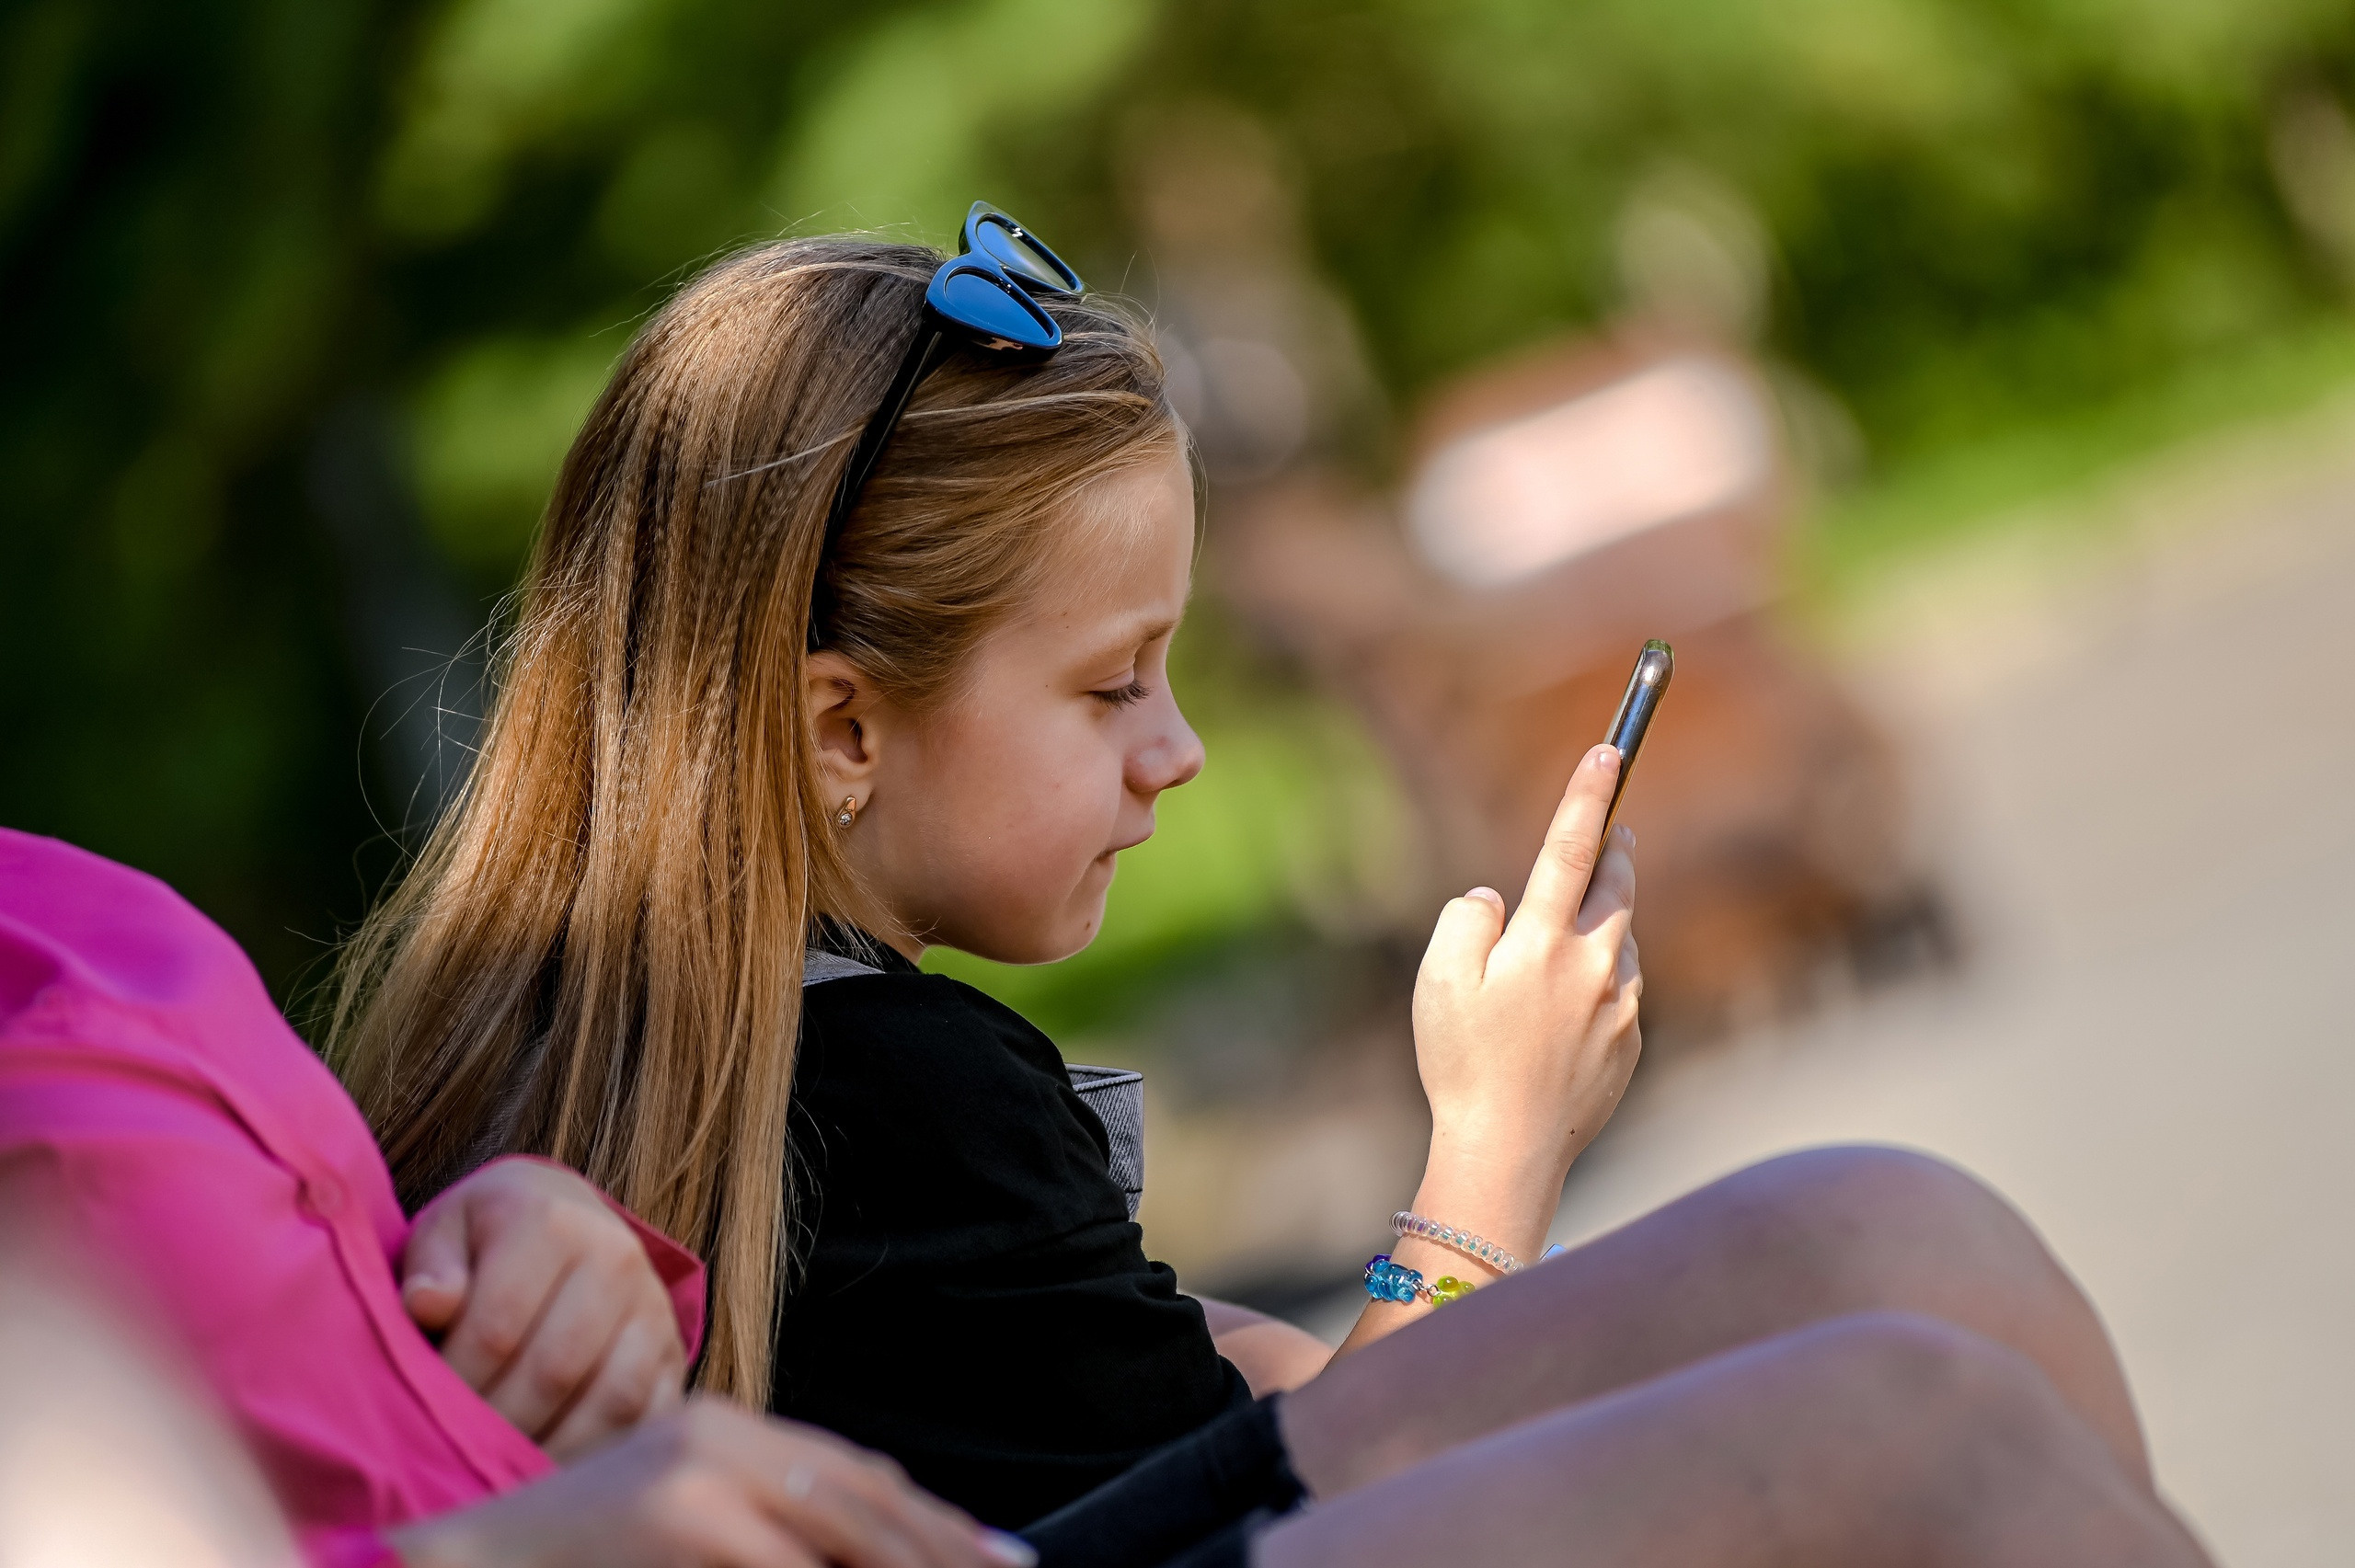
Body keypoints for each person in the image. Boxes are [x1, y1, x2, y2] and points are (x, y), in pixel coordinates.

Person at [323, 212, 2211, 1562]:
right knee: (1914, 1384)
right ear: (837, 730)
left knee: (1883, 1238)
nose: (1174, 750)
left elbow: (1235, 1445)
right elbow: (1327, 1489)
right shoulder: (892, 1096)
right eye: (1103, 685)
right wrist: (1490, 1152)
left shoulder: (627, 1066)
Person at [0, 825, 1023, 1568]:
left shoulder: (63, 895)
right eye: (1108, 687)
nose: (1178, 758)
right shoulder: (916, 1073)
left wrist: (528, 1233)